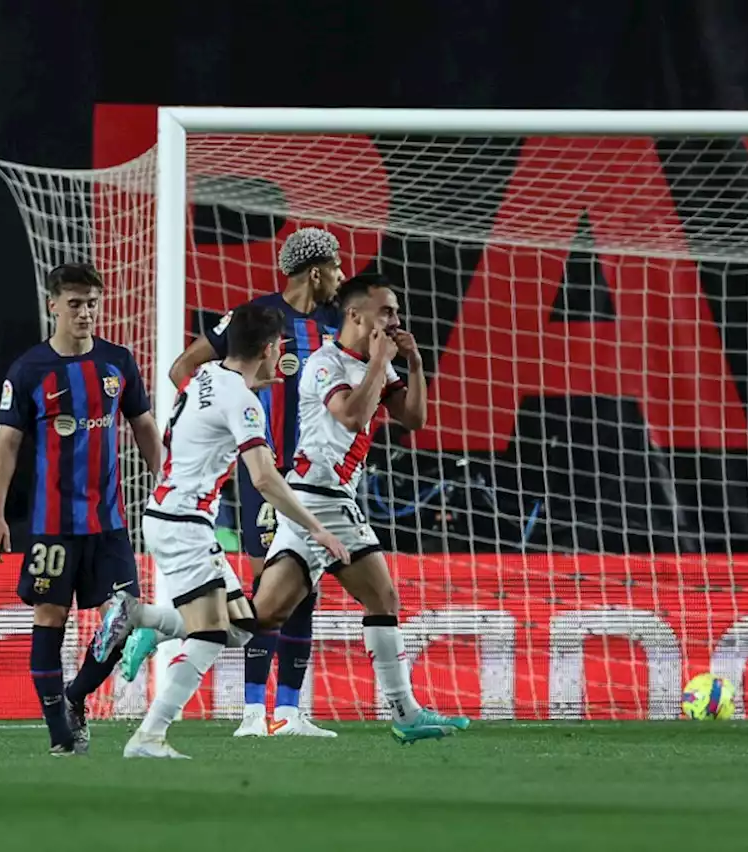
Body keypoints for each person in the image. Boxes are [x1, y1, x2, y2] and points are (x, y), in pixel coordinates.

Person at [97, 302, 348, 758]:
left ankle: (142, 618)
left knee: (242, 629)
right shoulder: (242, 401)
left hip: (169, 515)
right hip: (185, 525)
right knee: (210, 636)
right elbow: (265, 478)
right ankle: (149, 736)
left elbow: (211, 408)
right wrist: (319, 529)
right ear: (271, 349)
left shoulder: (204, 376)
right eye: (280, 351)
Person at [136, 226, 345, 737]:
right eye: (337, 267)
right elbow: (184, 366)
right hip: (264, 476)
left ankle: (290, 713)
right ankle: (253, 712)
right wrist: (212, 422)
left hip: (315, 472)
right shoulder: (254, 319)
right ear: (315, 271)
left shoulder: (339, 324)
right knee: (264, 594)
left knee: (301, 592)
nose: (342, 278)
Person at [247, 273, 470, 744]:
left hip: (311, 498)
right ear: (356, 315)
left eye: (396, 312)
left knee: (263, 616)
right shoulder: (326, 362)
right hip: (324, 497)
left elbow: (413, 419)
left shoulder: (374, 363)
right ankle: (406, 714)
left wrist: (412, 363)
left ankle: (155, 625)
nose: (395, 320)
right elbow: (350, 414)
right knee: (383, 599)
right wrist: (380, 363)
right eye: (386, 311)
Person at [0, 262, 162, 755]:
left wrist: (166, 482)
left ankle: (76, 697)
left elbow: (144, 426)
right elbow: (6, 445)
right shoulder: (28, 371)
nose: (85, 313)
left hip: (108, 523)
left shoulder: (117, 362)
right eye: (75, 303)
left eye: (91, 303)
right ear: (54, 305)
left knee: (124, 618)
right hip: (52, 526)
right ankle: (61, 735)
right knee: (50, 615)